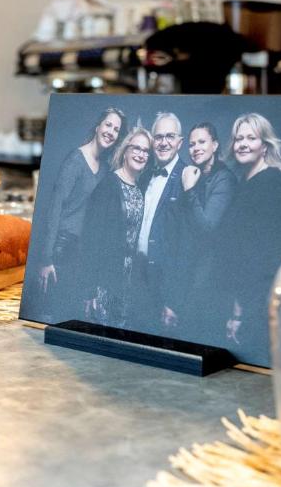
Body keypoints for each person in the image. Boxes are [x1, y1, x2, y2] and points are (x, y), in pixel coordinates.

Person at [37, 107, 125, 319]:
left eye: (116, 129)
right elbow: (54, 208)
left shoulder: (104, 169)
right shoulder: (75, 160)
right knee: (53, 314)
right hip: (61, 248)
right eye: (108, 125)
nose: (111, 132)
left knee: (74, 315)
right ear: (97, 127)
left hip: (82, 251)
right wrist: (46, 258)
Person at [222, 113, 281, 345]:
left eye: (251, 138)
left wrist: (239, 311)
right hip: (245, 297)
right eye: (238, 138)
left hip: (256, 302)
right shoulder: (245, 183)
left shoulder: (271, 184)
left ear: (264, 145)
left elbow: (262, 256)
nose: (243, 144)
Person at [79, 126, 151, 329]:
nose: (140, 154)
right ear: (125, 150)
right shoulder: (108, 186)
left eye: (146, 151)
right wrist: (90, 290)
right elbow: (91, 239)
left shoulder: (139, 189)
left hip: (128, 281)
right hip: (105, 279)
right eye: (136, 148)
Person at [132, 112, 187, 334]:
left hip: (164, 284)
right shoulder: (143, 173)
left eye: (170, 136)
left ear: (180, 142)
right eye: (159, 137)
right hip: (136, 276)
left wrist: (174, 301)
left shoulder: (188, 178)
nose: (164, 142)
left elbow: (188, 248)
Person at [179, 122, 236, 337]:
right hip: (192, 274)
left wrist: (189, 190)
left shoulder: (224, 179)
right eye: (192, 144)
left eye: (202, 142)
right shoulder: (197, 176)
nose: (195, 148)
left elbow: (207, 228)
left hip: (212, 279)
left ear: (215, 144)